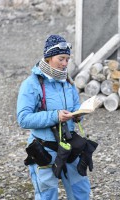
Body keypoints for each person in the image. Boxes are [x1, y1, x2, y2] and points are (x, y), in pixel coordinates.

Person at [17, 35, 91, 200]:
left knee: (82, 193)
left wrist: (78, 116)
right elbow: (23, 118)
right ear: (49, 57)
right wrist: (55, 116)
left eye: (67, 59)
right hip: (44, 150)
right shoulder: (31, 84)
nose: (65, 64)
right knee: (47, 196)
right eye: (61, 58)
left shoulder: (67, 82)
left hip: (70, 146)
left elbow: (73, 109)